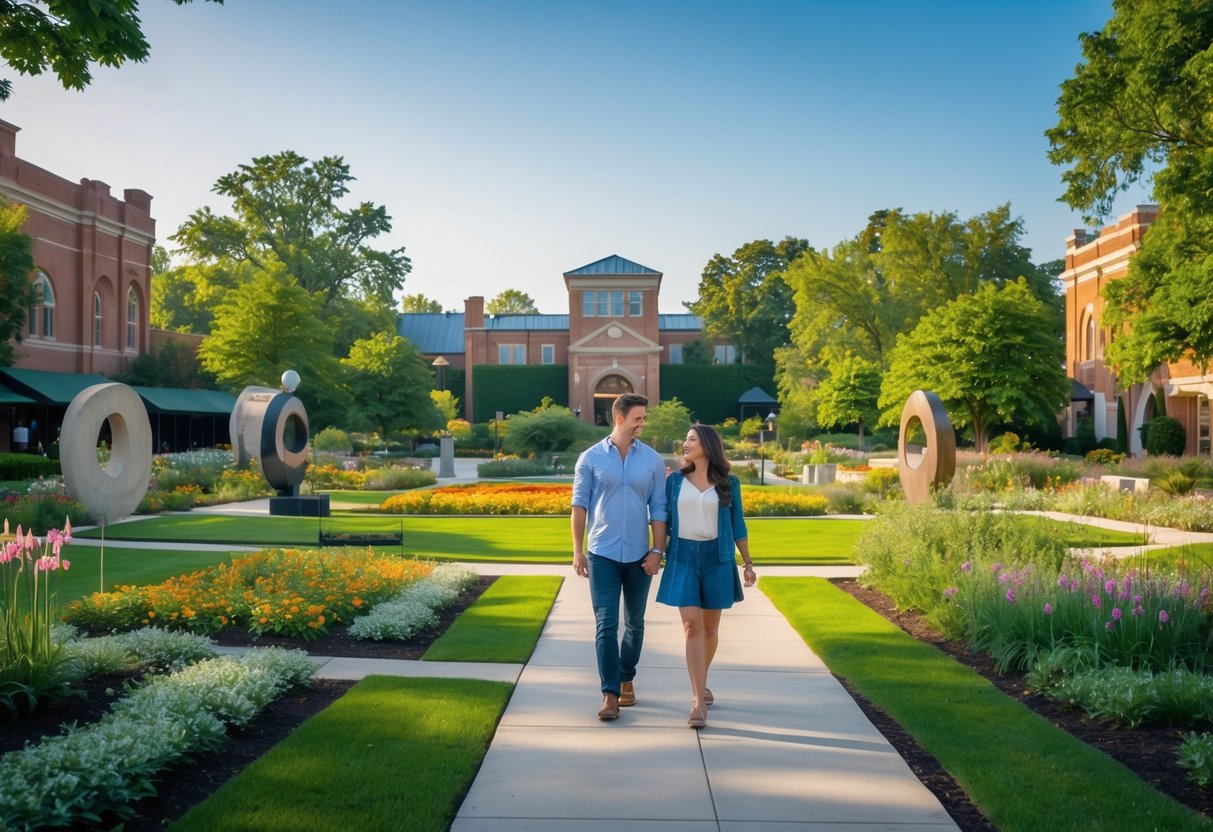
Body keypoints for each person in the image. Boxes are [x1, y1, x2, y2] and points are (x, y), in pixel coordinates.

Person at [572, 393, 668, 720]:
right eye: (638, 418)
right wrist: (577, 551)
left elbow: (659, 508)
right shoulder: (590, 458)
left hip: (640, 555)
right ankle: (609, 694)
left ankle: (627, 676)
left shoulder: (652, 461)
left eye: (644, 418)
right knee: (605, 624)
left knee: (636, 624)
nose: (642, 423)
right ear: (620, 419)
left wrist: (657, 550)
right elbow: (579, 506)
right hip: (602, 552)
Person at [656, 424, 756, 729]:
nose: (685, 443)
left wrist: (748, 562)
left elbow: (737, 525)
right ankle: (698, 702)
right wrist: (656, 550)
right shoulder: (674, 482)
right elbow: (662, 518)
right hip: (683, 558)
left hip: (718, 559)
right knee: (691, 627)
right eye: (685, 438)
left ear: (708, 445)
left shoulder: (729, 483)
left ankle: (702, 681)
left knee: (710, 629)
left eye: (692, 439)